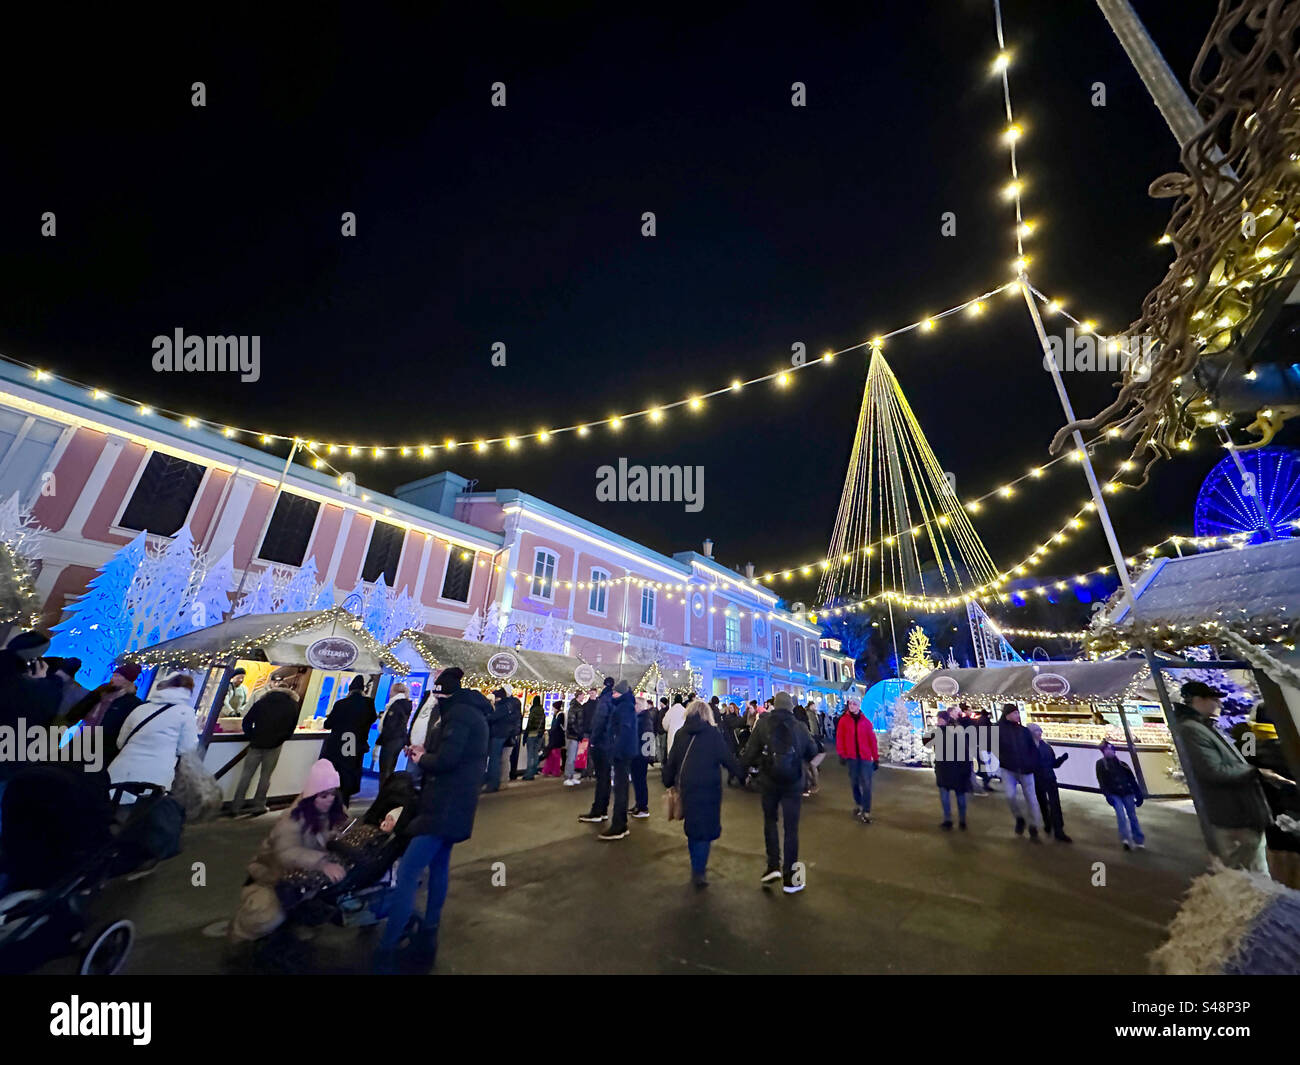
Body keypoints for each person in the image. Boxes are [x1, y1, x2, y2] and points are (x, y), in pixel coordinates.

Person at [377, 667, 489, 971]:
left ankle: (387, 949)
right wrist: (427, 750)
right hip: (455, 805)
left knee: (409, 872)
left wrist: (421, 758)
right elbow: (454, 754)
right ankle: (429, 933)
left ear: (443, 693)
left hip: (444, 805)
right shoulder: (466, 713)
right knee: (438, 866)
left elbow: (448, 760)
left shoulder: (460, 715)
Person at [1172, 680, 1290, 871]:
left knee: (1255, 869)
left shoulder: (1208, 726)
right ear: (1197, 700)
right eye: (1213, 699)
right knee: (1249, 874)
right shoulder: (1192, 729)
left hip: (1244, 810)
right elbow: (1215, 770)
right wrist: (1255, 772)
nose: (1219, 704)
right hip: (1234, 813)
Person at [229, 759, 348, 942]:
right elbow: (286, 852)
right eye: (323, 795)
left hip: (303, 878)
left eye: (332, 794)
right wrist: (322, 863)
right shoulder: (292, 818)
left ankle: (294, 924)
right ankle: (241, 936)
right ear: (311, 796)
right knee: (265, 916)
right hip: (271, 877)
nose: (329, 800)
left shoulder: (332, 813)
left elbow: (336, 832)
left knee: (321, 903)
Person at [742, 691, 818, 893]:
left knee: (770, 821)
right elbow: (812, 752)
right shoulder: (800, 726)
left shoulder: (763, 723)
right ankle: (792, 879)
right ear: (791, 707)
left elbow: (750, 753)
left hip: (769, 781)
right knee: (791, 829)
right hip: (793, 783)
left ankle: (772, 866)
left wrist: (752, 767)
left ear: (775, 705)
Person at [662, 700, 743, 886]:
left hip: (688, 788)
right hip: (709, 789)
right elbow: (727, 758)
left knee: (693, 827)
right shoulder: (713, 734)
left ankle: (696, 866)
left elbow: (671, 761)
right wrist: (741, 774)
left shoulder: (681, 734)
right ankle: (699, 870)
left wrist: (668, 782)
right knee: (705, 829)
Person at [107, 672, 200, 803]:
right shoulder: (185, 713)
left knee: (109, 810)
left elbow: (121, 741)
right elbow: (188, 747)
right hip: (154, 777)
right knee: (140, 817)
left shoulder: (141, 708)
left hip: (120, 770)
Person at [230, 674, 302, 817]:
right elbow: (291, 727)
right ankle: (258, 806)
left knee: (246, 775)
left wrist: (252, 735)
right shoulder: (292, 705)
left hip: (256, 743)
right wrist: (281, 739)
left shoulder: (262, 701)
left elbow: (247, 721)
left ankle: (236, 807)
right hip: (275, 745)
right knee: (265, 777)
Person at [321, 675, 378, 806]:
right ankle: (343, 802)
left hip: (337, 743)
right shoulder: (368, 704)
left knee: (334, 772)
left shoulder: (341, 704)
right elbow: (372, 719)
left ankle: (329, 800)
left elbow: (328, 724)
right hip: (355, 743)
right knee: (348, 773)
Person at [595, 680, 637, 841]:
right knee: (621, 788)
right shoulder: (625, 706)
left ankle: (618, 825)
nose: (613, 694)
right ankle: (621, 823)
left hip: (621, 754)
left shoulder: (624, 708)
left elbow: (623, 732)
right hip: (624, 752)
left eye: (615, 692)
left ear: (621, 693)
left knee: (620, 789)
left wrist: (615, 750)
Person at [996, 705, 1042, 840]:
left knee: (1032, 799)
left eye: (1018, 712)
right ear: (1007, 714)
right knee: (1010, 796)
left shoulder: (1024, 731)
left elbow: (1032, 749)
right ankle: (1019, 818)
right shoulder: (998, 730)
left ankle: (1033, 826)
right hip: (1008, 769)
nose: (1018, 715)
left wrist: (1033, 764)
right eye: (1015, 713)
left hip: (1026, 769)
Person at [924, 710, 971, 829]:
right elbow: (927, 743)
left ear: (946, 719)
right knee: (945, 797)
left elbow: (964, 751)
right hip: (943, 769)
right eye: (938, 719)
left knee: (960, 797)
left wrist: (966, 768)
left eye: (940, 719)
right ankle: (948, 819)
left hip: (957, 769)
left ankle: (962, 820)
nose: (938, 721)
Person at [1095, 741, 1146, 851]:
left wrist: (1138, 794)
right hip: (1114, 794)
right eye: (1106, 750)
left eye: (1110, 750)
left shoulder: (1123, 765)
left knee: (1132, 816)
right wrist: (1107, 795)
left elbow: (1132, 780)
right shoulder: (1101, 765)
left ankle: (1138, 839)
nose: (1109, 752)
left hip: (1127, 792)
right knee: (1121, 816)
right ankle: (1126, 839)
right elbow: (1101, 781)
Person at [835, 698, 879, 823]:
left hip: (865, 758)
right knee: (854, 783)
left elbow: (872, 741)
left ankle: (866, 810)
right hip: (851, 757)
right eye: (850, 704)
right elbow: (840, 738)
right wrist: (842, 754)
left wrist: (875, 758)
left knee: (866, 784)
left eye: (854, 704)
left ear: (859, 706)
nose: (852, 706)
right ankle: (859, 804)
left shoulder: (866, 722)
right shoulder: (843, 721)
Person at [579, 678, 616, 823]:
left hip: (602, 744)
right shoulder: (614, 701)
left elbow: (599, 722)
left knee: (601, 778)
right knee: (605, 778)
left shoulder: (604, 701)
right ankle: (603, 810)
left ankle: (598, 811)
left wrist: (593, 741)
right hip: (610, 745)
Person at [1027, 723, 1071, 842]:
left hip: (1049, 778)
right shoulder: (1030, 748)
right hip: (1039, 779)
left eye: (1040, 730)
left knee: (1054, 804)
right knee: (1044, 803)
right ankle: (1049, 824)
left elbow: (1053, 764)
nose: (1040, 733)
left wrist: (1061, 759)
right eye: (1036, 731)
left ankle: (1058, 829)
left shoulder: (1045, 746)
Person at [376, 682, 414, 785]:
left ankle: (383, 795)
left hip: (390, 740)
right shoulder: (405, 704)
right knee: (390, 768)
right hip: (398, 740)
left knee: (385, 770)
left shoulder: (395, 705)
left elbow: (391, 725)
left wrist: (382, 739)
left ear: (394, 691)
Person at [484, 686, 519, 792]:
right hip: (508, 735)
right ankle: (501, 782)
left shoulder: (501, 706)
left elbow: (493, 717)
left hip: (498, 734)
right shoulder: (511, 705)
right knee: (503, 759)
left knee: (494, 759)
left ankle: (492, 783)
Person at [630, 693, 653, 818]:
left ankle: (643, 807)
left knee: (640, 781)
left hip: (640, 756)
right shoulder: (642, 718)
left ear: (639, 705)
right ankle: (639, 804)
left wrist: (646, 756)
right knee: (638, 781)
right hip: (638, 754)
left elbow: (647, 737)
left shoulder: (643, 719)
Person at [563, 689, 588, 785]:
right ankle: (567, 777)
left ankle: (571, 776)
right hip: (573, 736)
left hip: (576, 736)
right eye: (582, 695)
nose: (583, 697)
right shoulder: (574, 708)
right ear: (579, 696)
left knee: (573, 757)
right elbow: (572, 723)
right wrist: (578, 733)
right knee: (571, 757)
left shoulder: (577, 707)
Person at [523, 695, 545, 780]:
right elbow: (543, 725)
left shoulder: (533, 710)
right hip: (539, 736)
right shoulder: (542, 711)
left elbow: (529, 724)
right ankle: (533, 771)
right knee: (535, 754)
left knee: (530, 755)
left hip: (531, 735)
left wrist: (525, 735)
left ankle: (528, 774)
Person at [542, 704, 566, 776]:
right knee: (553, 754)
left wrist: (549, 731)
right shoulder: (559, 715)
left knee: (554, 755)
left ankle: (551, 770)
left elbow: (555, 726)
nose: (552, 709)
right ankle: (552, 770)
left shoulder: (559, 715)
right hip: (557, 738)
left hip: (556, 738)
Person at [655, 697, 670, 764]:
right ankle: (661, 761)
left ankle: (662, 761)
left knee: (663, 747)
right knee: (660, 746)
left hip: (663, 731)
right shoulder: (662, 710)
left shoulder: (666, 711)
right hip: (660, 731)